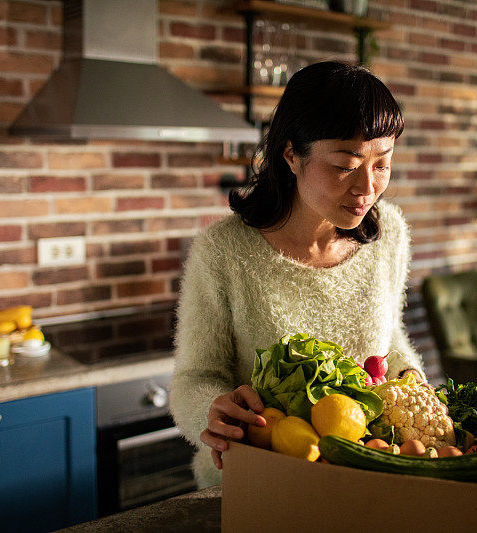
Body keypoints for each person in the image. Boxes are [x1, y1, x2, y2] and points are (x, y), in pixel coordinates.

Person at [169, 60, 426, 489]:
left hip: (364, 477)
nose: (367, 188)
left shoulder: (390, 234)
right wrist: (211, 411)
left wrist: (410, 381)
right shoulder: (224, 251)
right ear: (291, 154)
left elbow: (388, 342)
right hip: (255, 483)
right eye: (345, 165)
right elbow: (195, 379)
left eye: (382, 164)